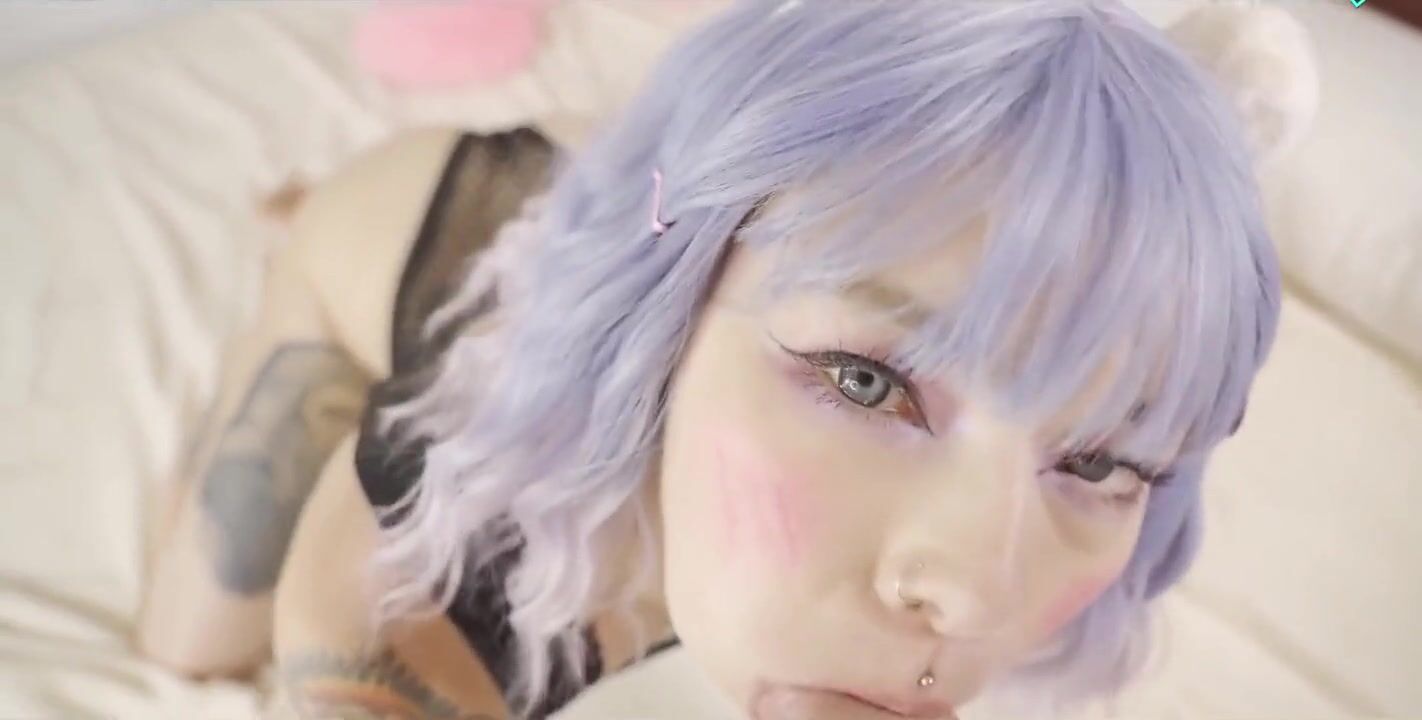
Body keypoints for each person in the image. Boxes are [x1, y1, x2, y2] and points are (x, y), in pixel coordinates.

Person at [135, 1, 1317, 718]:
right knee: (189, 639)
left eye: (1101, 462)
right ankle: (304, 231)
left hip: (667, 214)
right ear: (672, 317)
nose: (971, 591)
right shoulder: (398, 603)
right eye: (867, 381)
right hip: (415, 235)